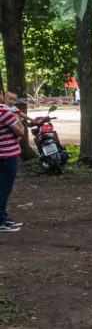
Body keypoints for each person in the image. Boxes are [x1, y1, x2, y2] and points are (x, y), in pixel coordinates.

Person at [0, 91, 24, 233]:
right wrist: (19, 126)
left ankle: (3, 216)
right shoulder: (3, 112)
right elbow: (19, 132)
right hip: (7, 156)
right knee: (4, 189)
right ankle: (1, 221)